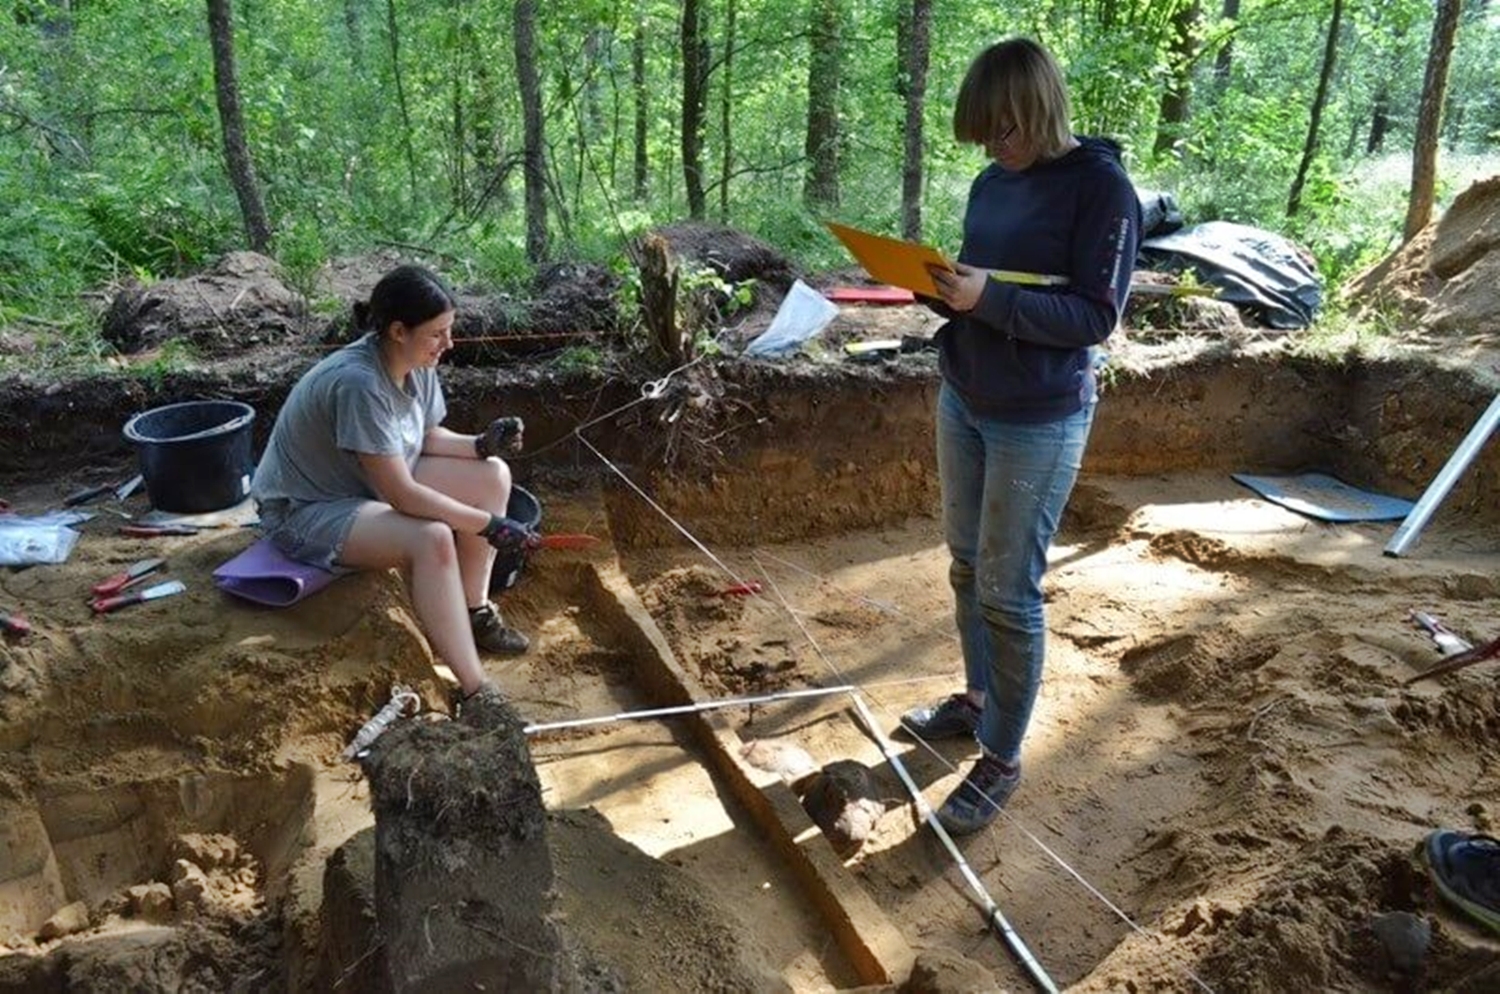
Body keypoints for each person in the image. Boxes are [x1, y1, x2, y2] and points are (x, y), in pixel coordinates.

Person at [899, 38, 1142, 834]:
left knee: (1009, 588)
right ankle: (976, 700)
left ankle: (1001, 755)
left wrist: (988, 301)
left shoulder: (1102, 191)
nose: (993, 152)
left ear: (1039, 111)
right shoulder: (989, 182)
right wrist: (941, 290)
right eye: (981, 139)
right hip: (965, 393)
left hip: (1040, 413)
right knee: (967, 566)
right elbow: (985, 287)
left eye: (1002, 132)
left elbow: (1093, 319)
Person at [251, 264, 534, 703]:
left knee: (493, 474)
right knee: (432, 537)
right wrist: (488, 524)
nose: (449, 344)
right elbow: (402, 493)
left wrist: (480, 445)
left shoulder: (415, 360)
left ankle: (473, 610)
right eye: (437, 333)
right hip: (307, 508)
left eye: (449, 330)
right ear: (399, 330)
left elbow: (419, 437)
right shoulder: (359, 383)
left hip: (367, 482)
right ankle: (476, 689)